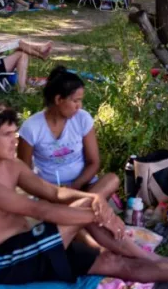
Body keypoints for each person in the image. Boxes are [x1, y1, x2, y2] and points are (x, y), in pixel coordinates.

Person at [0, 103, 168, 287]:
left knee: (110, 260)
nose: (15, 141)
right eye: (7, 136)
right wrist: (100, 213)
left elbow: (53, 193)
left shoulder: (9, 162)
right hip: (2, 261)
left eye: (15, 133)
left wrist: (96, 204)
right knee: (85, 207)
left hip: (32, 246)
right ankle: (153, 258)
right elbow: (40, 211)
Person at [18, 67, 119, 200]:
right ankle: (86, 208)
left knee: (112, 179)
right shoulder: (31, 127)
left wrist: (74, 187)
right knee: (92, 200)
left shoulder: (82, 119)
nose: (79, 106)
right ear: (59, 99)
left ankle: (76, 209)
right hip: (49, 191)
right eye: (75, 101)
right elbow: (24, 172)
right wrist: (52, 192)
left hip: (82, 186)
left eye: (80, 100)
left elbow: (93, 162)